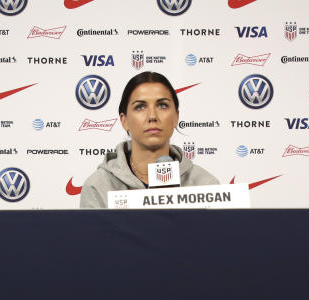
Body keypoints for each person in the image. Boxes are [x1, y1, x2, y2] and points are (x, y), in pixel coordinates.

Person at [79, 71, 218, 208]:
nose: (152, 116)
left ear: (176, 117)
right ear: (124, 120)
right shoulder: (98, 186)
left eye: (162, 105)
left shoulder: (205, 184)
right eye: (140, 107)